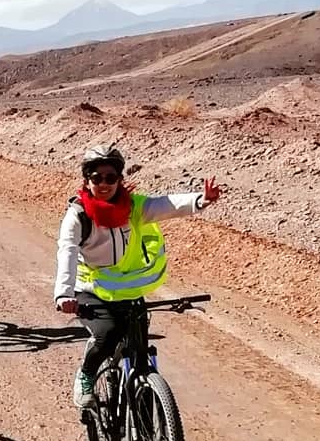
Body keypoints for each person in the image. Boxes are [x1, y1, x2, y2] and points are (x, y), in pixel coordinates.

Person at [53, 144, 222, 408]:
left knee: (139, 346)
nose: (104, 184)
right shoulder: (78, 216)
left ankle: (145, 407)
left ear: (120, 180)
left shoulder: (133, 207)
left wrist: (200, 199)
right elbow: (67, 252)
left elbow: (165, 204)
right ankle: (86, 375)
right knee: (107, 334)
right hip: (90, 288)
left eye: (111, 177)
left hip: (126, 289)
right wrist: (64, 293)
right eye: (97, 178)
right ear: (87, 181)